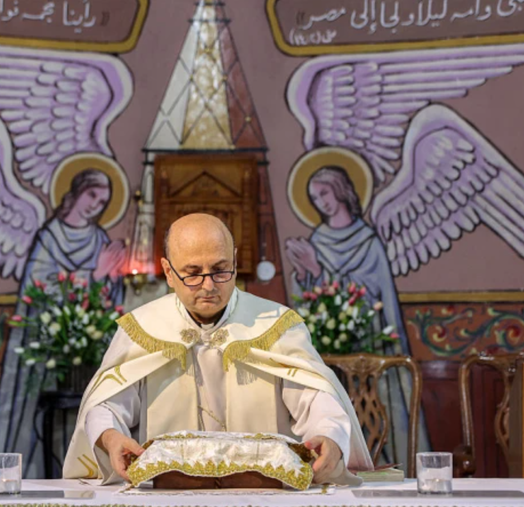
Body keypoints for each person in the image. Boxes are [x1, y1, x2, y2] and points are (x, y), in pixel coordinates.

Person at [63, 213, 373, 485]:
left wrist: (330, 435)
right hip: (170, 494)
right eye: (193, 273)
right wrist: (111, 437)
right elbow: (106, 406)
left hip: (263, 491)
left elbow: (316, 399)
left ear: (236, 263)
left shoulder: (275, 325)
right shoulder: (142, 329)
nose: (209, 286)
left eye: (220, 270)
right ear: (169, 272)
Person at [285, 166, 429, 468]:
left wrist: (318, 272)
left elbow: (369, 294)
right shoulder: (319, 240)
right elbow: (312, 297)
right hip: (333, 354)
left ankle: (387, 463)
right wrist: (305, 275)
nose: (320, 201)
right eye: (313, 197)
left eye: (324, 192)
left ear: (340, 189)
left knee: (382, 417)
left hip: (371, 345)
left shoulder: (369, 242)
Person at [0, 168, 126, 476]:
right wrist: (95, 275)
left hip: (82, 356)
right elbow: (39, 287)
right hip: (46, 351)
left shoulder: (98, 238)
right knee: (32, 419)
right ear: (76, 192)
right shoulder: (49, 237)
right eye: (92, 195)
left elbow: (106, 297)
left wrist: (112, 280)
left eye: (103, 202)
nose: (95, 205)